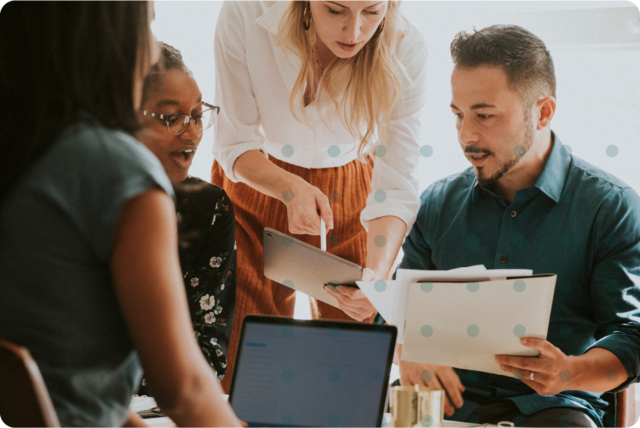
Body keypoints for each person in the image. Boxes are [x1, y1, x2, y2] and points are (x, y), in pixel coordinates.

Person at [0, 1, 243, 427]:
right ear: (107, 39)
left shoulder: (25, 149)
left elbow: (71, 385)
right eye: (147, 25)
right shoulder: (115, 170)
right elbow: (184, 388)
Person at [396, 25, 640, 428]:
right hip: (442, 404)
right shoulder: (436, 204)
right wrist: (408, 348)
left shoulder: (610, 207)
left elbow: (632, 336)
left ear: (542, 112)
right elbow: (398, 311)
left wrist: (570, 372)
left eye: (485, 115)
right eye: (458, 115)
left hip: (557, 409)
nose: (466, 136)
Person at [212, 0, 428, 391]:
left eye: (372, 11)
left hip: (354, 198)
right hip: (256, 182)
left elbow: (397, 184)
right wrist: (289, 187)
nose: (354, 32)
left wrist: (378, 277)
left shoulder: (407, 47)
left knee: (349, 371)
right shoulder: (245, 10)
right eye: (335, 10)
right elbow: (234, 143)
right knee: (244, 364)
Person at [137, 42, 236, 382]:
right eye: (172, 118)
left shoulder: (210, 209)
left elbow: (210, 351)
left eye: (197, 115)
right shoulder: (76, 200)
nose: (192, 133)